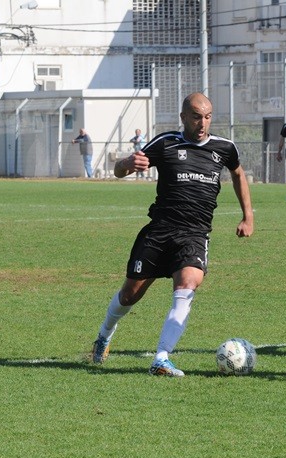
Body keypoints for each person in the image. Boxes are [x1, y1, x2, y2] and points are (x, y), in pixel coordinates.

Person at [89, 92, 254, 377]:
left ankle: (162, 358)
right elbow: (119, 170)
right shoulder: (165, 143)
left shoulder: (224, 148)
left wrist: (248, 216)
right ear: (183, 117)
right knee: (129, 295)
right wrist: (127, 163)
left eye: (207, 117)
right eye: (196, 117)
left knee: (187, 285)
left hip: (194, 235)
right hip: (159, 231)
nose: (202, 123)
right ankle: (105, 334)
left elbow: (238, 174)